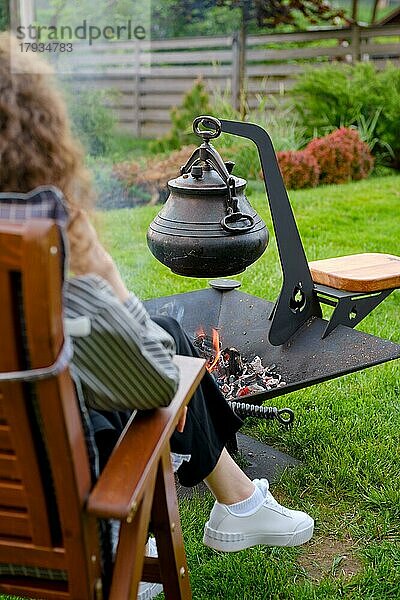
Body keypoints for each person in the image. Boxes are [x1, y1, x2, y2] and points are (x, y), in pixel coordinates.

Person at [0, 32, 313, 597]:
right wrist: (96, 264)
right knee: (166, 350)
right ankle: (222, 507)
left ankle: (238, 501)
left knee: (154, 330)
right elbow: (152, 379)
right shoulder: (39, 237)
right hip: (58, 502)